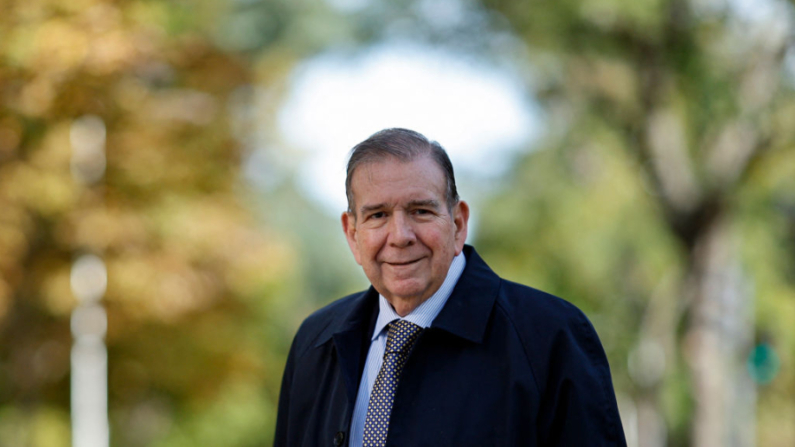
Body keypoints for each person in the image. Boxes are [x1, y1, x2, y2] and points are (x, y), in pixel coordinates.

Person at [274, 128, 627, 447]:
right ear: (352, 234)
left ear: (458, 224)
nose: (400, 237)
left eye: (421, 211)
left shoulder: (551, 337)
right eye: (378, 215)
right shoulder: (314, 342)